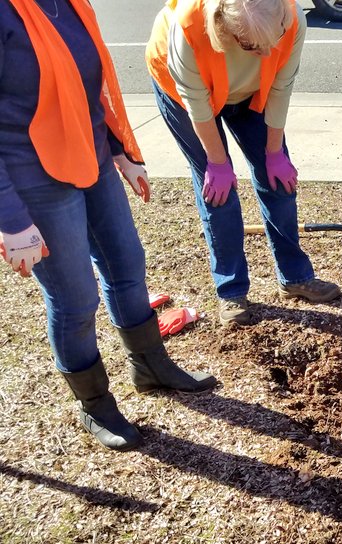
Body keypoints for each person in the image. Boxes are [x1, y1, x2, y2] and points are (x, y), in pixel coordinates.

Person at [0, 0, 216, 451]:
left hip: (92, 153)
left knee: (126, 262)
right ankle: (95, 405)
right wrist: (11, 219)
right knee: (76, 298)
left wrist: (120, 148)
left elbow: (89, 84)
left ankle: (150, 366)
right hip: (30, 174)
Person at [146, 0, 339, 326]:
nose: (265, 54)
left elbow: (281, 87)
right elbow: (198, 106)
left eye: (272, 42)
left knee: (279, 181)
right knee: (218, 193)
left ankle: (294, 276)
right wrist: (218, 163)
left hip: (251, 92)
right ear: (224, 29)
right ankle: (231, 291)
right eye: (251, 46)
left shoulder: (291, 17)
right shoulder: (187, 29)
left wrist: (274, 153)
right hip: (187, 95)